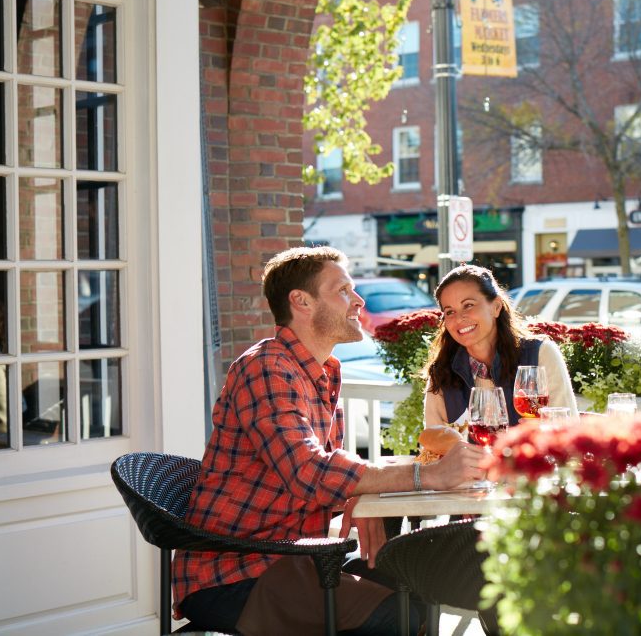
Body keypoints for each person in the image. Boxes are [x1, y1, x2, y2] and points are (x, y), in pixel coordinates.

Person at [172, 247, 485, 635]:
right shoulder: (266, 368)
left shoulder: (320, 372)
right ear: (301, 301)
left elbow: (328, 463)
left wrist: (360, 492)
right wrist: (428, 477)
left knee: (415, 588)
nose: (359, 301)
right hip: (235, 572)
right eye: (343, 291)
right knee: (395, 615)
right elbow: (308, 472)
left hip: (292, 559)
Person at [424, 264, 577, 429]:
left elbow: (569, 431)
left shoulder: (541, 354)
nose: (459, 318)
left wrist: (545, 431)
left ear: (496, 307)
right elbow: (433, 446)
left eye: (468, 305)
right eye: (450, 312)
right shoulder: (441, 373)